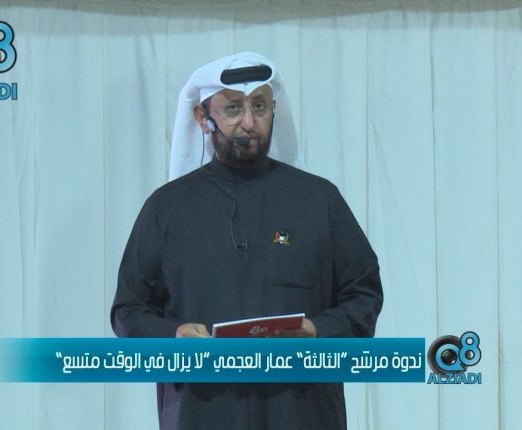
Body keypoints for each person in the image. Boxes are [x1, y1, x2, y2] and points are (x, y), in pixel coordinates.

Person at [111, 52, 383, 430]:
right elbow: (128, 309)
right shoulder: (167, 208)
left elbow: (364, 294)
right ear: (202, 117)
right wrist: (174, 335)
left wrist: (318, 330)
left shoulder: (318, 200)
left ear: (274, 109)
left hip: (303, 411)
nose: (249, 122)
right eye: (233, 108)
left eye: (259, 106)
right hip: (201, 412)